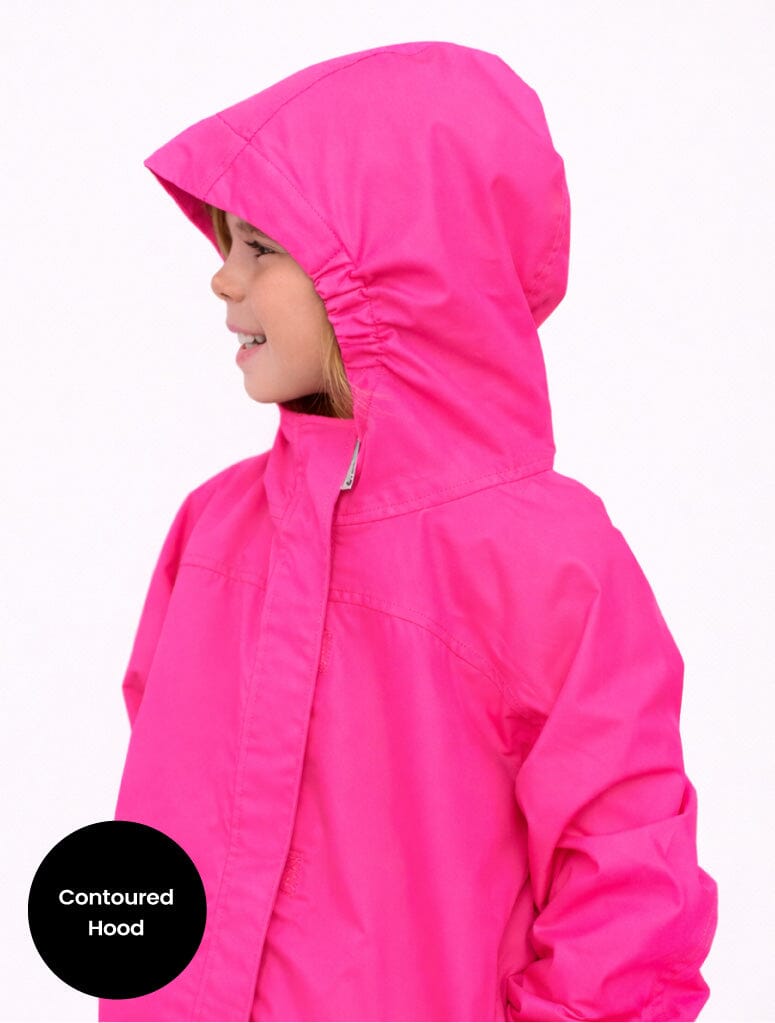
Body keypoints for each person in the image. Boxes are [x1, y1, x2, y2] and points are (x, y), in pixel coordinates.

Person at [98, 40, 718, 1022]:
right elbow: (162, 816)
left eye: (261, 248)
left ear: (399, 271)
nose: (223, 280)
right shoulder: (216, 529)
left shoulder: (545, 560)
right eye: (225, 244)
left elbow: (626, 885)